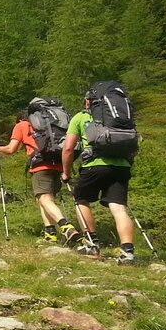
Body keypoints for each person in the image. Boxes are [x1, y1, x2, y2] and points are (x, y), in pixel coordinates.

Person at [62, 91, 138, 263]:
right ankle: (127, 252)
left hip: (94, 165)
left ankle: (91, 243)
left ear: (88, 101)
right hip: (121, 166)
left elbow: (68, 148)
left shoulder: (81, 117)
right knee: (119, 208)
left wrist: (66, 172)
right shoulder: (120, 118)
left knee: (80, 199)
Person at [0, 106, 82, 245]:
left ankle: (66, 227)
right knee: (44, 199)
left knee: (45, 199)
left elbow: (11, 149)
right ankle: (50, 234)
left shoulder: (21, 125)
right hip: (59, 164)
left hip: (41, 165)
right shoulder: (47, 124)